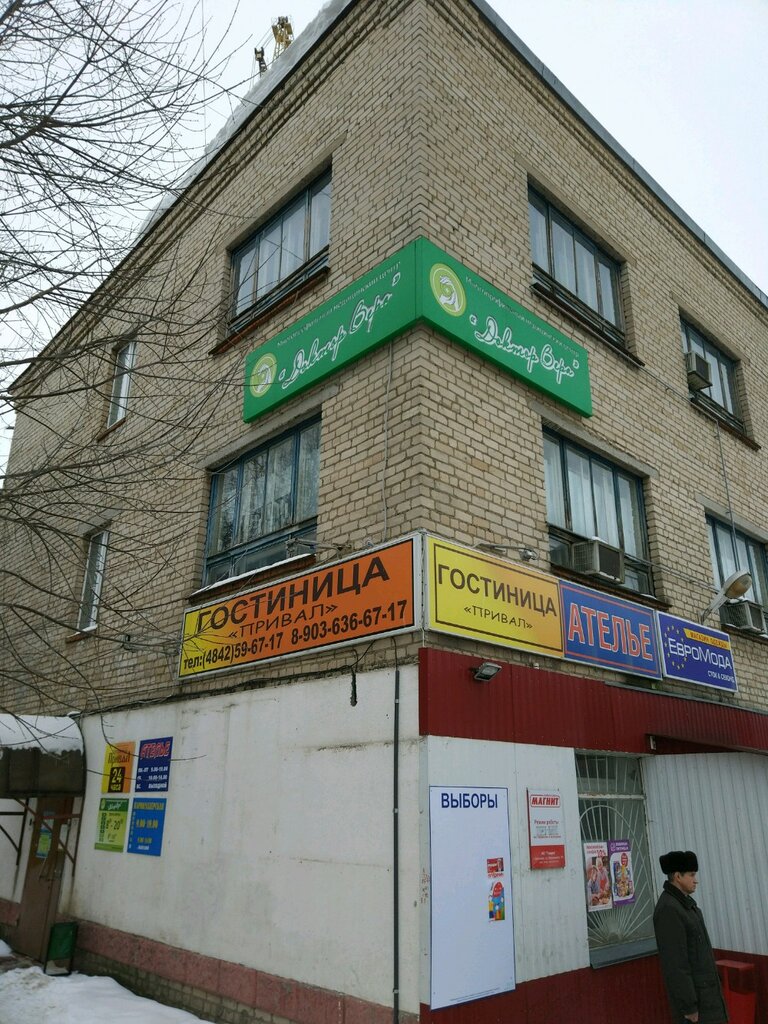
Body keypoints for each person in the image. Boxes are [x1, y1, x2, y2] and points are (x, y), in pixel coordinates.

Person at [653, 850, 728, 1024]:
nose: (696, 880)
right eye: (691, 875)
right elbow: (676, 964)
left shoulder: (686, 905)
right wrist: (689, 1007)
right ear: (677, 876)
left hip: (707, 999)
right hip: (697, 1008)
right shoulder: (669, 909)